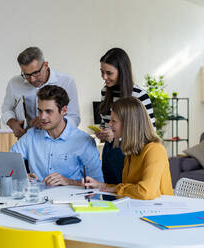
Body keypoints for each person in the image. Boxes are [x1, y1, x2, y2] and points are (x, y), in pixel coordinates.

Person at [10, 85, 103, 186]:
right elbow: (8, 162)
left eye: (48, 111)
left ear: (63, 110)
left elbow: (97, 185)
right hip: (38, 199)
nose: (42, 117)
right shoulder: (31, 136)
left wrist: (68, 182)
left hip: (71, 200)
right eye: (40, 111)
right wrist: (22, 176)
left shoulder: (84, 141)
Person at [84, 97, 173, 200]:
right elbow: (130, 188)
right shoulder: (131, 152)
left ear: (128, 124)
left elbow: (145, 192)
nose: (109, 124)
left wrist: (116, 188)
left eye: (114, 121)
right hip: (139, 208)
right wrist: (101, 186)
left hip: (158, 212)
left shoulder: (155, 150)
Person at [95, 48, 155, 184]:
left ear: (122, 71)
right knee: (109, 196)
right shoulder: (105, 92)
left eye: (109, 73)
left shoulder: (139, 95)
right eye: (102, 72)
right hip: (110, 152)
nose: (104, 77)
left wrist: (118, 137)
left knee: (128, 195)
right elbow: (107, 123)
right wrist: (103, 132)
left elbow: (150, 133)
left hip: (131, 153)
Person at [2, 47, 80, 138]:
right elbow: (7, 109)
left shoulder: (66, 82)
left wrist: (48, 121)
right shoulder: (14, 83)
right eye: (27, 75)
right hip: (27, 141)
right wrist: (13, 124)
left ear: (46, 65)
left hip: (58, 141)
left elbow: (74, 118)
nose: (32, 79)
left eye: (36, 73)